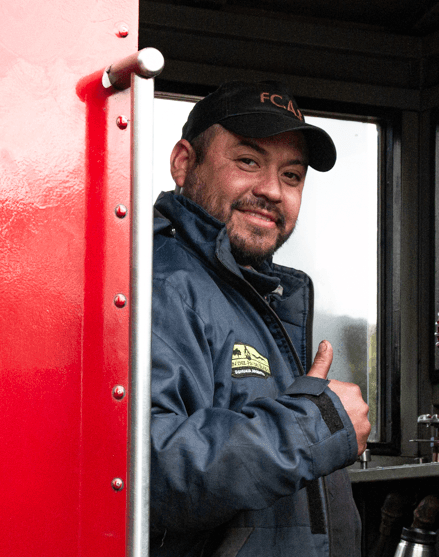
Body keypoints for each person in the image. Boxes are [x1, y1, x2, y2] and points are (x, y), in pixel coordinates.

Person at [150, 80, 371, 557]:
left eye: (291, 176)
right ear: (184, 163)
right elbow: (151, 471)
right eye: (248, 162)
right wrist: (318, 424)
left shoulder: (255, 296)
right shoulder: (163, 285)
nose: (271, 190)